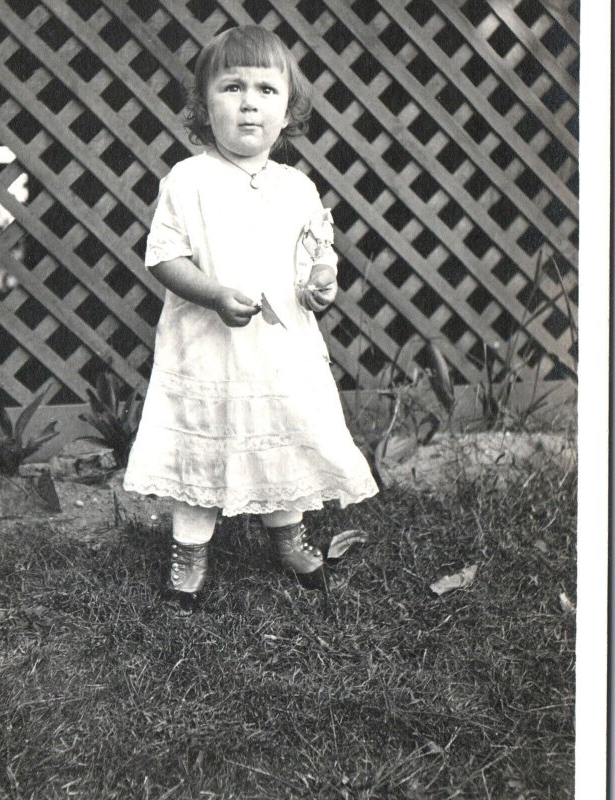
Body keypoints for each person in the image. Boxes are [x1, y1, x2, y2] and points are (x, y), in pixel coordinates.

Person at [123, 25, 378, 610]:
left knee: (284, 432)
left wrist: (320, 287)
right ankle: (190, 550)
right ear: (202, 105)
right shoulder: (189, 180)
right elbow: (163, 256)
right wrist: (213, 294)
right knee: (202, 437)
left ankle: (287, 535)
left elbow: (318, 259)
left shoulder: (299, 188)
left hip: (280, 351)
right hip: (206, 346)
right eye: (231, 87)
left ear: (287, 111)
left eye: (266, 90)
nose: (248, 102)